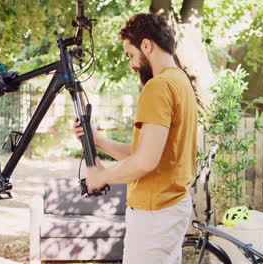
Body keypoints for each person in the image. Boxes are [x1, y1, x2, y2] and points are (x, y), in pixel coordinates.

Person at [73, 13, 198, 264]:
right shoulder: (180, 82)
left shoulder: (158, 87)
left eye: (130, 55)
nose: (131, 65)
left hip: (154, 215)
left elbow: (144, 162)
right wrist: (99, 141)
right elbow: (147, 153)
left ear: (146, 45)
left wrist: (101, 176)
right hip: (170, 209)